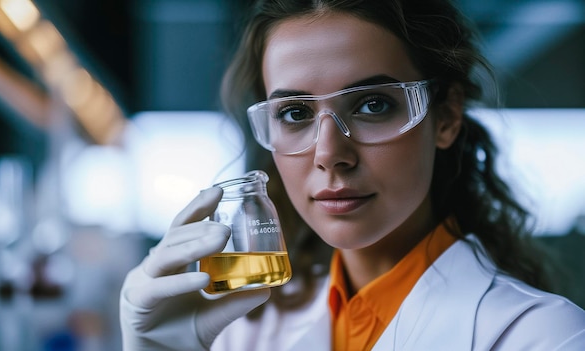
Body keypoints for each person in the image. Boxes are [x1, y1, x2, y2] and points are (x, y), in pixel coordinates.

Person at [119, 0, 585, 350]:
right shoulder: (245, 334)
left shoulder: (545, 337)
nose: (329, 155)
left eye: (373, 104)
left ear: (445, 117)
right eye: (295, 113)